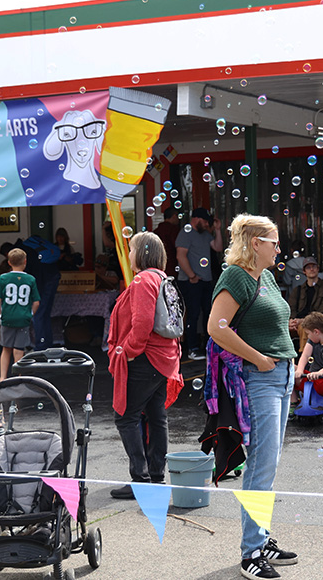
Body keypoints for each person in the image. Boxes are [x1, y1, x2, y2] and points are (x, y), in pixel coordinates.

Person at [208, 213, 298, 580]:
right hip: (261, 378)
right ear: (255, 243)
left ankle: (260, 539)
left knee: (268, 464)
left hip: (283, 375)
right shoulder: (236, 276)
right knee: (261, 465)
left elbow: (263, 320)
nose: (279, 247)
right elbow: (216, 327)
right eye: (274, 241)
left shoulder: (268, 277)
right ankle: (251, 553)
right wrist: (260, 359)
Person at [106, 231, 184, 499]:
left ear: (140, 253)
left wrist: (127, 352)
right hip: (165, 358)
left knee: (126, 417)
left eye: (131, 249)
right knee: (156, 416)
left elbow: (141, 325)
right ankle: (156, 477)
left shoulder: (142, 280)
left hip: (145, 358)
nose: (128, 255)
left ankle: (140, 479)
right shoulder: (162, 278)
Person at [178, 207, 224, 361]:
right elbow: (181, 255)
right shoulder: (186, 233)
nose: (207, 224)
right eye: (205, 221)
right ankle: (192, 348)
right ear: (196, 219)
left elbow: (218, 248)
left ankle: (207, 346)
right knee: (193, 314)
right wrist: (191, 275)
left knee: (208, 313)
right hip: (191, 282)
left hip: (205, 280)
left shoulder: (205, 234)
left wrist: (217, 230)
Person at [0, 248, 41, 382]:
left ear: (9, 262)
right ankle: (19, 377)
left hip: (7, 318)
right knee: (19, 349)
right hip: (23, 319)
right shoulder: (30, 279)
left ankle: (2, 377)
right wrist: (30, 314)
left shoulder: (3, 278)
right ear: (25, 262)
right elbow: (36, 302)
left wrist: (0, 316)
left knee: (6, 348)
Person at [286, 257, 323, 351]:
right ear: (304, 271)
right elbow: (290, 308)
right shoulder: (298, 289)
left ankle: (305, 359)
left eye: (314, 266)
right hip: (298, 322)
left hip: (317, 323)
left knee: (305, 328)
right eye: (308, 267)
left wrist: (303, 321)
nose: (311, 269)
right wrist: (292, 321)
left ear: (318, 269)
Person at [153, 207, 180, 276]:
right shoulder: (173, 230)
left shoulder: (157, 230)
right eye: (177, 216)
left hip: (159, 264)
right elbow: (178, 246)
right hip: (172, 264)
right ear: (174, 216)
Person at [95, 222, 122, 291]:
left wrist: (103, 229)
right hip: (111, 267)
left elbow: (107, 244)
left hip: (118, 268)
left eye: (108, 234)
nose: (106, 236)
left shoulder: (116, 241)